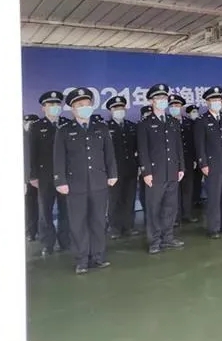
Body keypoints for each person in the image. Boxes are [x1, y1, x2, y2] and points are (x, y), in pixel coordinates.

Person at [53, 88, 118, 274]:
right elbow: (59, 158)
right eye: (80, 105)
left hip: (99, 182)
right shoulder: (64, 130)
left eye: (87, 104)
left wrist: (113, 174)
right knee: (78, 223)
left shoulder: (101, 128)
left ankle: (98, 256)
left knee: (98, 221)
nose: (84, 107)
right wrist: (60, 181)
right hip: (75, 185)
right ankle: (82, 259)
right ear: (73, 109)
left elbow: (109, 154)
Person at [137, 84, 185, 254]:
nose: (162, 101)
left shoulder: (173, 122)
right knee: (154, 208)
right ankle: (154, 241)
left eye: (164, 98)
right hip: (155, 174)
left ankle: (168, 238)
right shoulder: (145, 124)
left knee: (170, 207)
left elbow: (178, 147)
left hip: (172, 171)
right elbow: (143, 150)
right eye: (158, 98)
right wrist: (146, 172)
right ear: (151, 101)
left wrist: (181, 167)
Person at [29, 90, 71, 256]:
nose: (54, 106)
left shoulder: (67, 124)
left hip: (65, 175)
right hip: (44, 175)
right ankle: (47, 243)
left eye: (57, 104)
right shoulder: (36, 126)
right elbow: (31, 152)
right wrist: (32, 175)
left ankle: (65, 241)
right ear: (43, 108)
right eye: (50, 104)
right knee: (45, 211)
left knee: (65, 210)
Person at [194, 86, 222, 239]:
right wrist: (203, 163)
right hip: (212, 165)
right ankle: (214, 228)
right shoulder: (202, 121)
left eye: (219, 99)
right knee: (214, 197)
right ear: (207, 102)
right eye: (213, 100)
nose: (217, 102)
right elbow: (200, 145)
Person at [105, 95, 139, 239]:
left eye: (121, 108)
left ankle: (128, 226)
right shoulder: (106, 127)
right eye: (116, 108)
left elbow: (137, 148)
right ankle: (114, 227)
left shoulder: (131, 126)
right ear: (111, 110)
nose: (119, 110)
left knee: (129, 199)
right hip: (114, 171)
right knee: (115, 199)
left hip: (130, 168)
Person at [168, 94, 199, 225]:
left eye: (177, 105)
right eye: (172, 105)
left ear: (181, 107)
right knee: (174, 190)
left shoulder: (188, 122)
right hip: (173, 161)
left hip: (188, 160)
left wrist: (195, 158)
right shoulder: (167, 122)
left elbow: (194, 142)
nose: (174, 107)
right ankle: (176, 217)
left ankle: (187, 213)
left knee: (188, 188)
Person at [24, 114, 40, 241]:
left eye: (32, 122)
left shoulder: (38, 135)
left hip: (39, 176)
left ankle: (39, 230)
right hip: (26, 177)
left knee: (42, 206)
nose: (29, 124)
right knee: (29, 206)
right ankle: (30, 231)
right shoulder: (20, 136)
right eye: (27, 121)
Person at [185, 104, 204, 208]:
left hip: (199, 156)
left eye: (196, 111)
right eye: (193, 112)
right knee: (190, 180)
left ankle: (197, 198)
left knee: (198, 179)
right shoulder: (187, 124)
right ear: (188, 114)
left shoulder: (199, 123)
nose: (195, 113)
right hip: (190, 158)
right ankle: (190, 200)